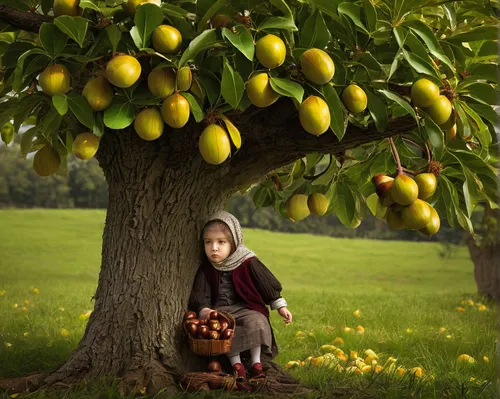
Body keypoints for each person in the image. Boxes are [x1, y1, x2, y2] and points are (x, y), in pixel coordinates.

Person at [189, 211, 292, 380]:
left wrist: (280, 305)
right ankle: (237, 365)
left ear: (234, 242)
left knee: (257, 321)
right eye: (208, 242)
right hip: (221, 309)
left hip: (246, 306)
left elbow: (265, 283)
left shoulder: (247, 261)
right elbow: (201, 292)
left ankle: (256, 363)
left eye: (221, 242)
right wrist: (204, 309)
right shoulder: (207, 268)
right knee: (226, 330)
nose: (214, 248)